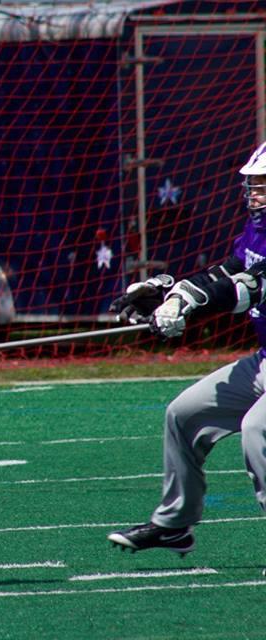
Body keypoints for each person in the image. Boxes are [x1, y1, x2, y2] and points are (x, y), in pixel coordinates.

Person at [106, 139, 266, 555]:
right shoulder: (258, 229)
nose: (254, 194)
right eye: (253, 184)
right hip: (264, 361)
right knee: (183, 413)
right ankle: (174, 524)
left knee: (258, 430)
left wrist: (189, 303)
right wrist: (171, 294)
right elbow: (230, 271)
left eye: (263, 185)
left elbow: (247, 289)